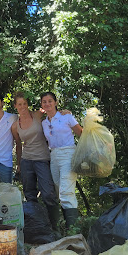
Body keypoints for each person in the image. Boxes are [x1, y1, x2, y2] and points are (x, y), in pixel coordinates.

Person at [11, 92, 60, 231]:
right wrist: (19, 164)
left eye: (25, 103)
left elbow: (52, 112)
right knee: (30, 194)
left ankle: (55, 227)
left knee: (48, 194)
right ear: (15, 106)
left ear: (28, 104)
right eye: (19, 104)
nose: (22, 106)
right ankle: (37, 226)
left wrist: (63, 112)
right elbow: (18, 145)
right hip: (26, 161)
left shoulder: (38, 115)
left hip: (42, 159)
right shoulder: (15, 126)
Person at [40, 92, 83, 228]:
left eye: (50, 101)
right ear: (41, 105)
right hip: (54, 156)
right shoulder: (44, 123)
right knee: (58, 191)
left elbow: (82, 133)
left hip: (68, 153)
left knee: (66, 192)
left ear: (56, 102)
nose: (47, 104)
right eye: (44, 101)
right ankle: (62, 227)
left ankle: (73, 231)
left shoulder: (66, 117)